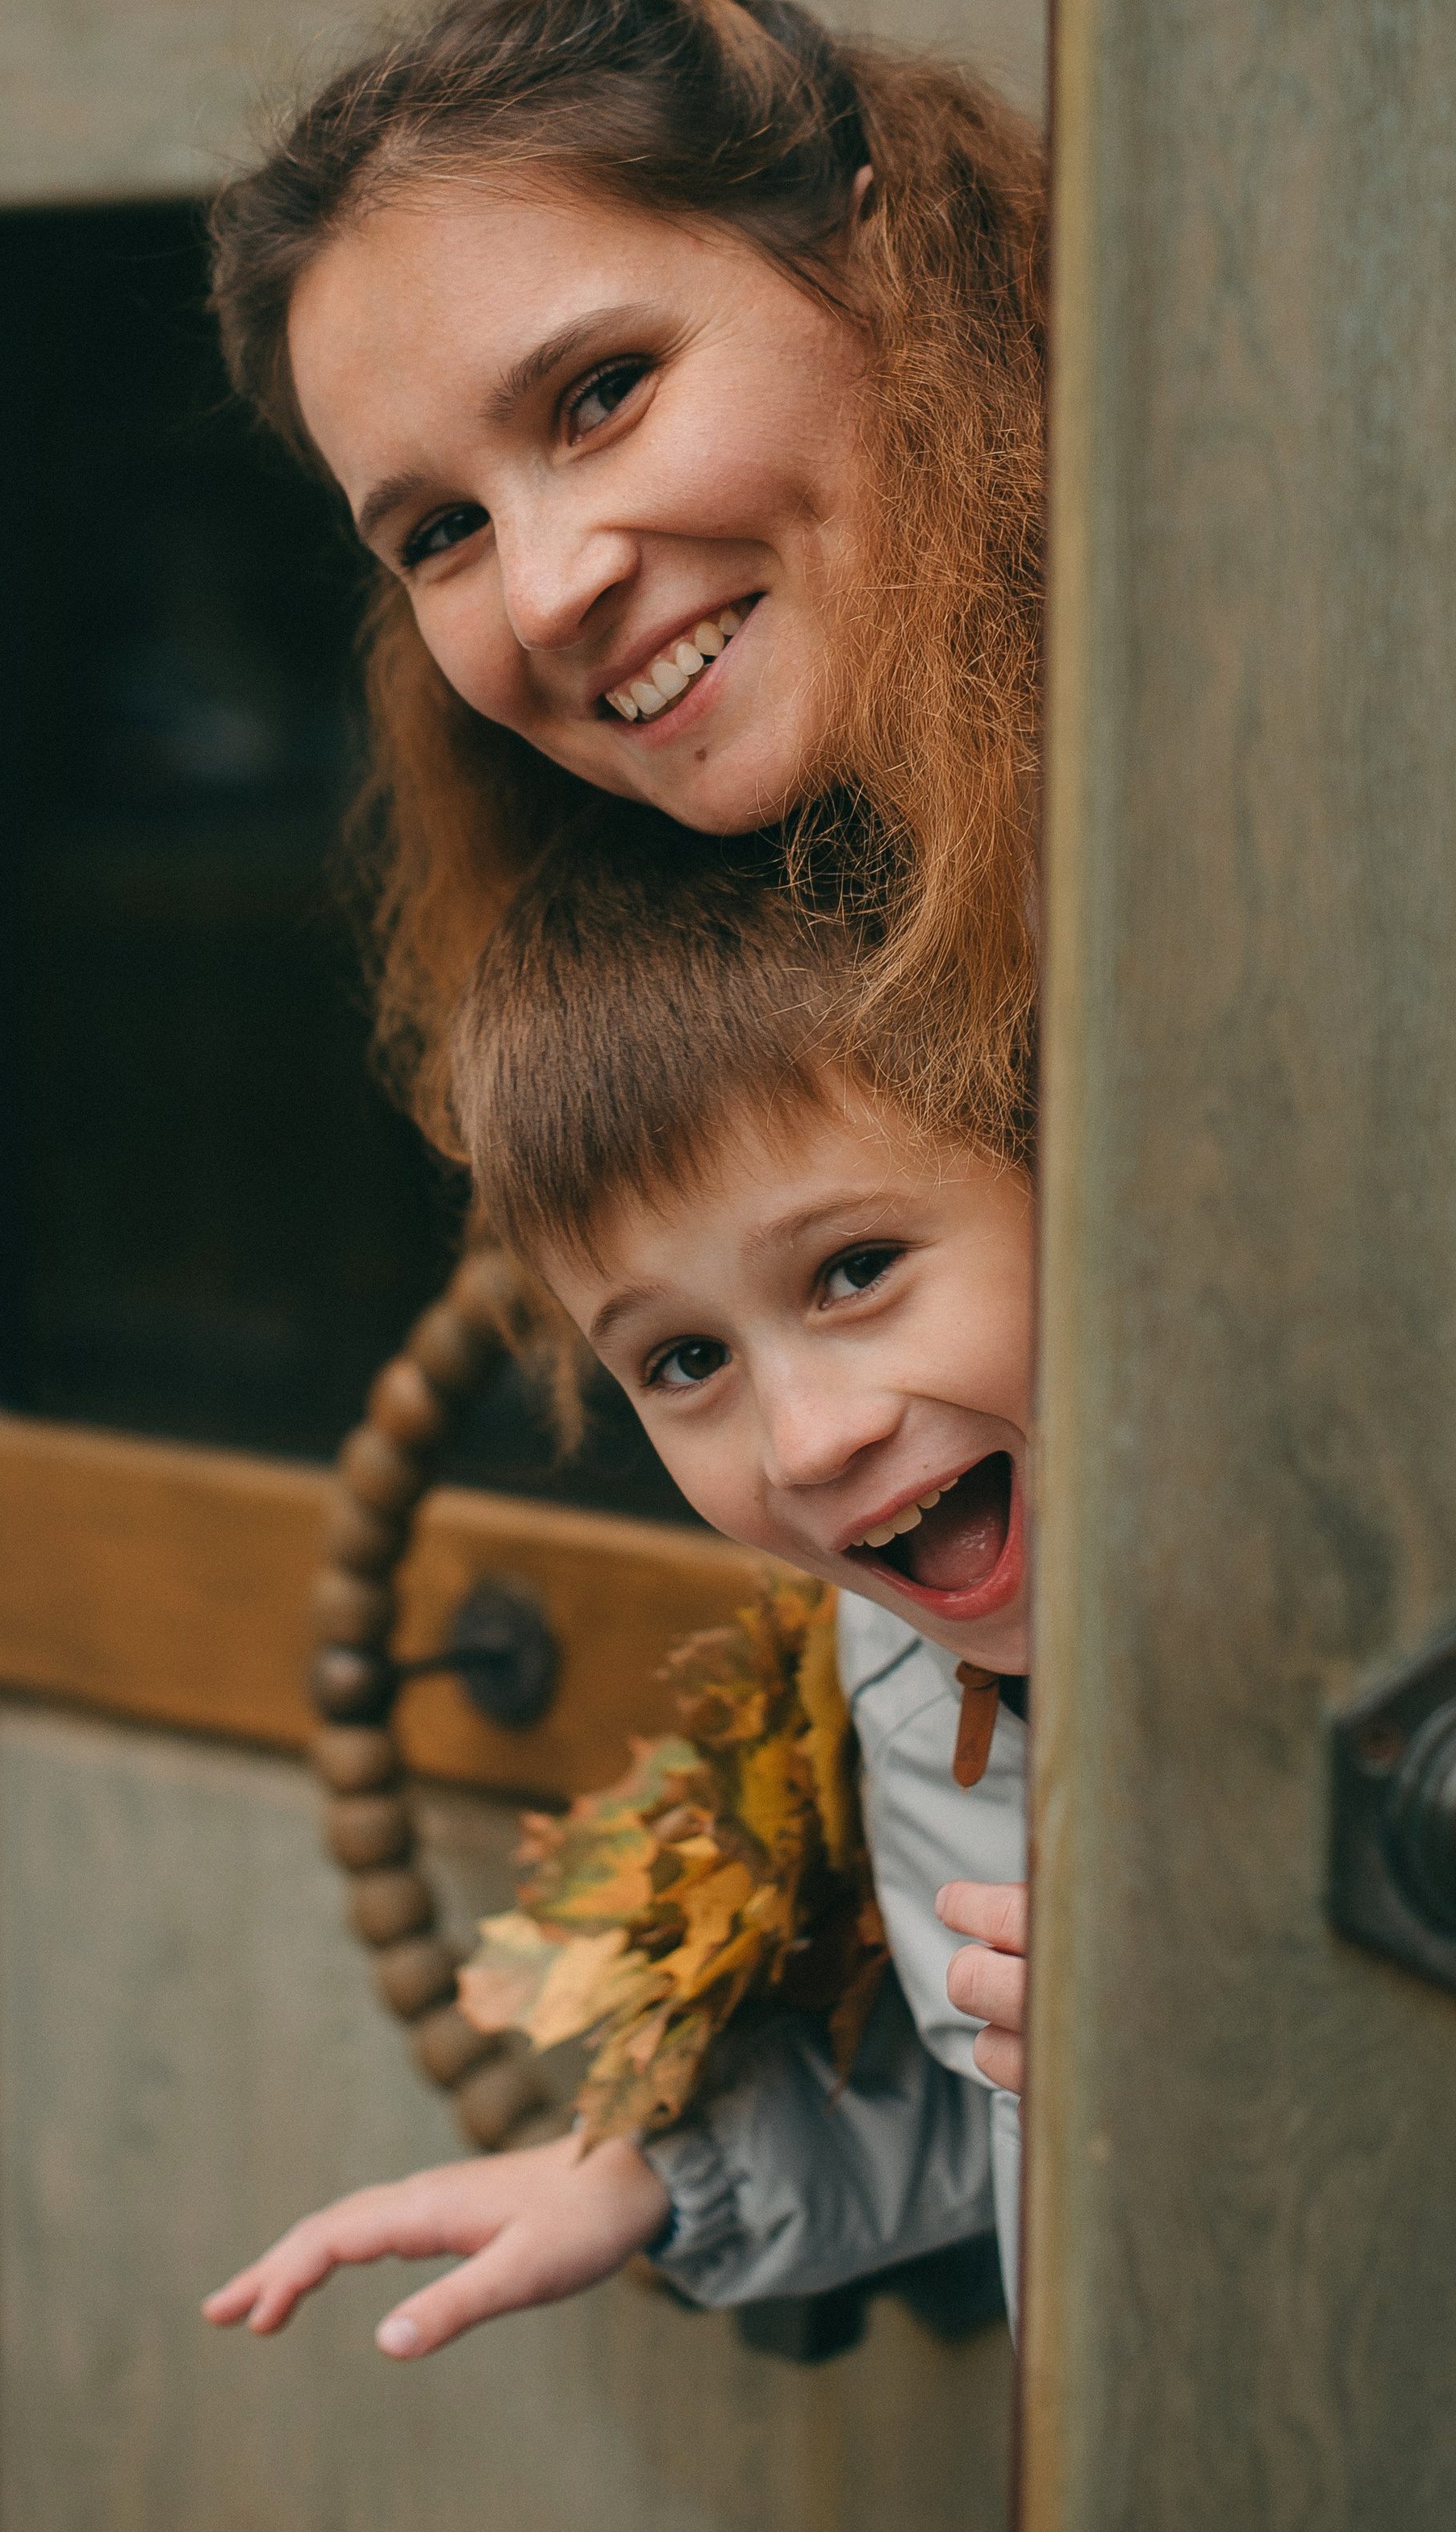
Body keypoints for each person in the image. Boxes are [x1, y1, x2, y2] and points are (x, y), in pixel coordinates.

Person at [203, 811, 1032, 2363]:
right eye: (688, 1360)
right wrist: (660, 2173)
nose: (807, 1437)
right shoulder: (912, 1676)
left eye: (855, 1268)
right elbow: (996, 2085)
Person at [207, 0, 1044, 1167]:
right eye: (443, 533)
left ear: (887, 262)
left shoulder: (1265, 800)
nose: (545, 596)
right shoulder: (656, 1018)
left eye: (601, 395)